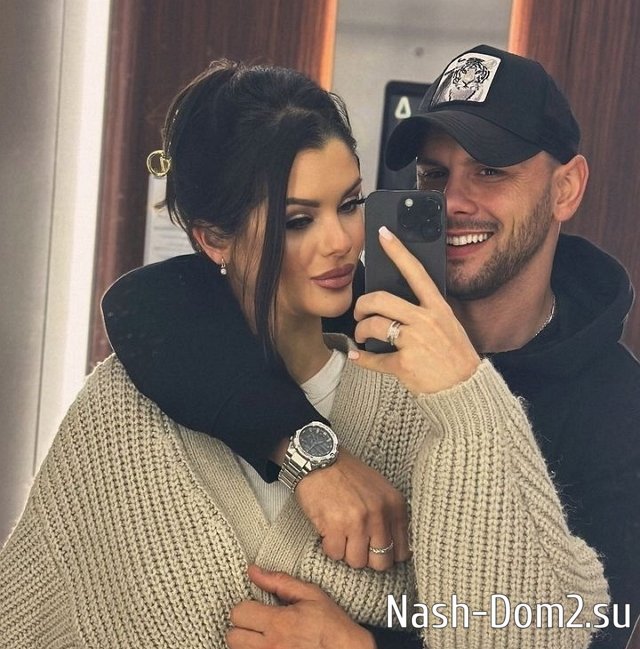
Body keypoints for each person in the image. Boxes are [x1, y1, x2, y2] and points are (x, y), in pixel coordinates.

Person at [0, 58, 608, 649]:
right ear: (214, 239)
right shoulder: (120, 411)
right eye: (298, 220)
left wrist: (467, 402)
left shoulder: (428, 411)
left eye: (349, 204)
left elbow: (534, 630)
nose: (341, 241)